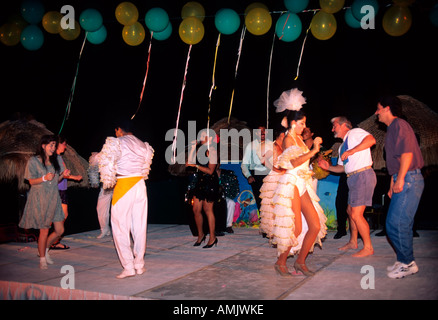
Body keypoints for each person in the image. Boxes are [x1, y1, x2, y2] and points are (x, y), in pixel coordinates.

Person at [375, 95, 424, 279]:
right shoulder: (392, 129)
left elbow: (407, 154)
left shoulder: (399, 125)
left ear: (387, 108)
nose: (376, 112)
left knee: (396, 224)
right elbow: (394, 163)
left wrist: (401, 179)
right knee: (400, 223)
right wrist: (392, 182)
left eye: (378, 108)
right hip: (402, 177)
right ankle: (403, 259)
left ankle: (407, 263)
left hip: (409, 178)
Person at [98, 120, 154, 279]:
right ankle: (139, 264)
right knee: (140, 225)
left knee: (120, 227)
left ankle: (129, 267)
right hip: (140, 185)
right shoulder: (143, 144)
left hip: (124, 185)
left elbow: (106, 165)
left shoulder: (117, 142)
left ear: (118, 129)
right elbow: (145, 168)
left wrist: (108, 181)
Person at [318, 116, 376, 257]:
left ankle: (368, 247)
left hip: (362, 175)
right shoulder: (342, 146)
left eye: (335, 125)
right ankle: (353, 241)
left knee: (356, 214)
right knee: (350, 212)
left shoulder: (355, 132)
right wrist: (328, 167)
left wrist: (352, 151)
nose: (332, 129)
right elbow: (342, 168)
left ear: (344, 125)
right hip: (353, 177)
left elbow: (371, 140)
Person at [19, 135, 70, 269]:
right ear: (43, 146)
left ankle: (45, 250)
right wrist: (44, 177)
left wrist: (62, 176)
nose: (53, 148)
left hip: (54, 197)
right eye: (51, 145)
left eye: (54, 145)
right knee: (44, 230)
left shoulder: (57, 159)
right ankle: (42, 259)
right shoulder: (34, 161)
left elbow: (55, 180)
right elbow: (30, 181)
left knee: (60, 230)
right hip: (40, 198)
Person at [186, 130, 220, 248]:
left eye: (203, 136)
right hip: (199, 181)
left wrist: (195, 166)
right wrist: (192, 148)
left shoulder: (213, 151)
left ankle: (212, 237)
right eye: (200, 136)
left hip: (209, 182)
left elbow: (210, 171)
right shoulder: (200, 150)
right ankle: (201, 235)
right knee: (196, 209)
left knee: (207, 209)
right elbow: (189, 163)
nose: (200, 138)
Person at [50, 136, 82, 250]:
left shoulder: (58, 157)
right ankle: (52, 239)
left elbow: (63, 173)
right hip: (58, 189)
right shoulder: (55, 157)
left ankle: (54, 240)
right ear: (58, 144)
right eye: (64, 144)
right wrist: (75, 177)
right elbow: (62, 174)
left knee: (61, 216)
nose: (65, 147)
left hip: (61, 189)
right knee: (61, 216)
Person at [259, 125, 286, 239]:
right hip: (273, 178)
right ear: (281, 135)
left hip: (284, 178)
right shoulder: (271, 145)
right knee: (271, 206)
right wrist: (276, 169)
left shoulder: (286, 147)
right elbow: (263, 160)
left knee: (282, 205)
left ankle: (281, 231)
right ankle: (271, 232)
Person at [241, 125, 272, 210]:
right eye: (259, 131)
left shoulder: (272, 144)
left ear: (267, 132)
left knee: (271, 201)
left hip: (270, 175)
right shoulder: (251, 146)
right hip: (257, 176)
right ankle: (263, 222)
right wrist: (248, 176)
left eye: (264, 130)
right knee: (260, 202)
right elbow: (244, 164)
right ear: (256, 133)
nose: (262, 133)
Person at [88, 152, 113, 239]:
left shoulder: (121, 153)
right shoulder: (99, 156)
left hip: (120, 185)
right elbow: (92, 168)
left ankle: (123, 230)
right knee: (101, 208)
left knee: (119, 209)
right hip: (107, 186)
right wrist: (94, 181)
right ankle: (105, 229)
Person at [217, 166, 240, 234]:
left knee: (231, 203)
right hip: (211, 197)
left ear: (219, 164)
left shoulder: (227, 174)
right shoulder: (208, 173)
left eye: (216, 163)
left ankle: (228, 226)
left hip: (223, 196)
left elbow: (234, 188)